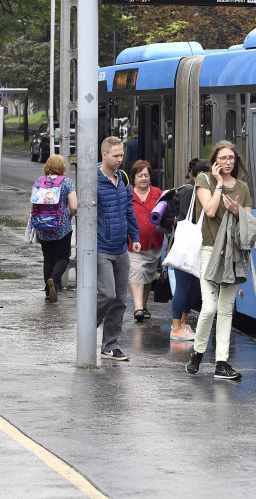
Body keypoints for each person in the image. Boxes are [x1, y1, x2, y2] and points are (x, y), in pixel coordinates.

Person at [186, 140, 253, 380]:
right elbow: (211, 211)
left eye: (231, 158)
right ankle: (198, 351)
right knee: (209, 307)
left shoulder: (243, 187)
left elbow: (249, 221)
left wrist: (236, 211)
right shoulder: (204, 181)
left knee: (226, 310)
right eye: (223, 158)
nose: (228, 162)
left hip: (233, 253)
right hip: (209, 250)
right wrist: (219, 186)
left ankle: (222, 362)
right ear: (215, 160)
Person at [96, 136, 141, 361]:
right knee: (107, 293)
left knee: (120, 300)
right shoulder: (92, 179)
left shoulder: (122, 178)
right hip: (101, 247)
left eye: (121, 155)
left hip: (121, 247)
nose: (120, 159)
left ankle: (110, 345)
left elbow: (128, 210)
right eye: (116, 155)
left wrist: (135, 236)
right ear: (104, 155)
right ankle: (86, 330)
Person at [166, 158, 209, 342]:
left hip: (196, 246)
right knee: (184, 286)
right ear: (198, 175)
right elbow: (185, 218)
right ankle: (176, 327)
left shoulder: (200, 190)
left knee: (195, 287)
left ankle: (182, 323)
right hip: (187, 245)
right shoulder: (190, 191)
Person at [32, 154, 77, 302]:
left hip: (42, 225)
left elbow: (32, 205)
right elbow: (74, 206)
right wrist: (68, 217)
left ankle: (48, 292)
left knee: (48, 258)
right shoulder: (67, 182)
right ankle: (54, 279)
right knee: (63, 257)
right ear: (62, 167)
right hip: (61, 226)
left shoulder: (40, 181)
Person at [128, 160, 164, 322]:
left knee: (148, 275)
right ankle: (137, 308)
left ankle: (142, 305)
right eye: (140, 175)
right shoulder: (127, 194)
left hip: (154, 243)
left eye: (146, 175)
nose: (143, 178)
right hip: (133, 243)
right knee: (136, 272)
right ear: (133, 178)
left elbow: (167, 216)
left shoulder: (158, 194)